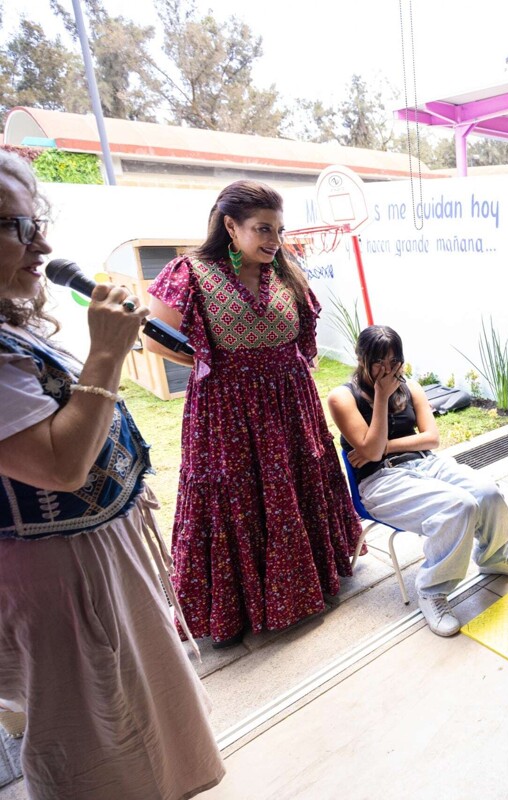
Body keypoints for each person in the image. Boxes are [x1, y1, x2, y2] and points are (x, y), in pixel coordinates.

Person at [0, 151, 224, 798]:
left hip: (98, 561)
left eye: (37, 221)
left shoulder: (12, 326)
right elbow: (59, 465)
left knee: (147, 727)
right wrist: (104, 351)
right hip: (64, 586)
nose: (42, 243)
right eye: (18, 226)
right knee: (104, 747)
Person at [145, 180, 362, 647]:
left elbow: (300, 334)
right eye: (263, 229)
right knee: (236, 495)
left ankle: (308, 586)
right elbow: (154, 338)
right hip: (227, 410)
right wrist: (213, 363)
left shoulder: (285, 271)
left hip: (290, 400)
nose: (273, 240)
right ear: (230, 226)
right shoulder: (191, 271)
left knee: (295, 482)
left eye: (278, 230)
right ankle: (239, 608)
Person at [328, 325, 508, 637]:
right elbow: (372, 453)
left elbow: (431, 439)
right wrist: (380, 397)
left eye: (394, 362)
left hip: (425, 463)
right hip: (379, 482)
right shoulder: (341, 397)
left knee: (488, 492)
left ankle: (493, 557)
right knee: (459, 506)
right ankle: (432, 591)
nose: (387, 370)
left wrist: (383, 447)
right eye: (378, 362)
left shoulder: (412, 387)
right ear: (360, 358)